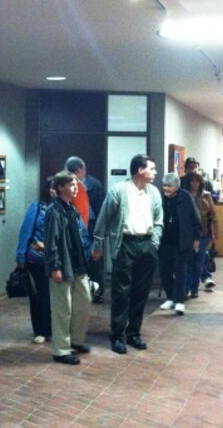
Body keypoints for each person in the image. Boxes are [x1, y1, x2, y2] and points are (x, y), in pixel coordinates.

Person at [92, 154, 163, 354]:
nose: (155, 172)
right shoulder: (119, 191)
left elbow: (159, 220)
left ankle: (133, 333)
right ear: (140, 170)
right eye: (152, 168)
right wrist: (98, 245)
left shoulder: (154, 193)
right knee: (121, 292)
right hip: (125, 244)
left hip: (147, 244)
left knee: (141, 293)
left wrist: (154, 243)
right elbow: (104, 219)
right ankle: (117, 336)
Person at [44, 170, 93, 365]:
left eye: (76, 185)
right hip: (62, 265)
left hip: (78, 264)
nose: (75, 188)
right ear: (60, 187)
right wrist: (54, 266)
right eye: (71, 185)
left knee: (83, 301)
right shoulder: (54, 211)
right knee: (63, 309)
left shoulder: (71, 208)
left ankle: (76, 340)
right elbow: (51, 241)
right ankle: (61, 349)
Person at [15, 177, 55, 344]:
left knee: (54, 296)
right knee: (38, 295)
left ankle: (53, 328)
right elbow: (26, 231)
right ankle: (40, 330)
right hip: (37, 259)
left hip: (57, 259)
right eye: (51, 188)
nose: (53, 191)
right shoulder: (37, 208)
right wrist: (20, 255)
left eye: (56, 187)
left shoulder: (66, 208)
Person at [158, 173, 201, 315]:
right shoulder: (160, 198)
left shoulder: (186, 197)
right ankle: (170, 297)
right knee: (165, 272)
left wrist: (196, 238)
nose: (166, 188)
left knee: (180, 272)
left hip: (182, 241)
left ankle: (179, 301)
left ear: (176, 187)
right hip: (164, 241)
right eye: (164, 185)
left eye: (169, 186)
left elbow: (195, 219)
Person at [65, 156, 106, 303]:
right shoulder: (65, 185)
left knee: (95, 258)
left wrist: (101, 229)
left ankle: (98, 291)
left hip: (93, 226)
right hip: (74, 226)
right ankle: (82, 290)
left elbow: (102, 208)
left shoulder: (95, 185)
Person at [183, 171, 219, 296]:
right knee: (188, 261)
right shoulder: (184, 195)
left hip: (204, 233)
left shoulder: (206, 195)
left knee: (199, 261)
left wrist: (215, 236)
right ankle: (186, 288)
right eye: (192, 181)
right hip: (188, 234)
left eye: (197, 181)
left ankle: (194, 289)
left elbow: (213, 216)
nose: (195, 184)